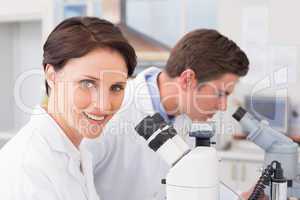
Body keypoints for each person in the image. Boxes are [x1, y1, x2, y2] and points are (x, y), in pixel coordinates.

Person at [83, 29, 250, 199]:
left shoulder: (186, 117)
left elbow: (195, 183)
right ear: (188, 79)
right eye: (221, 93)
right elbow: (71, 186)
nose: (223, 106)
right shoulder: (112, 111)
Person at [0, 16, 136, 200]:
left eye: (116, 87)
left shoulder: (79, 152)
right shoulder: (27, 168)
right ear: (51, 76)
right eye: (87, 83)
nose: (104, 105)